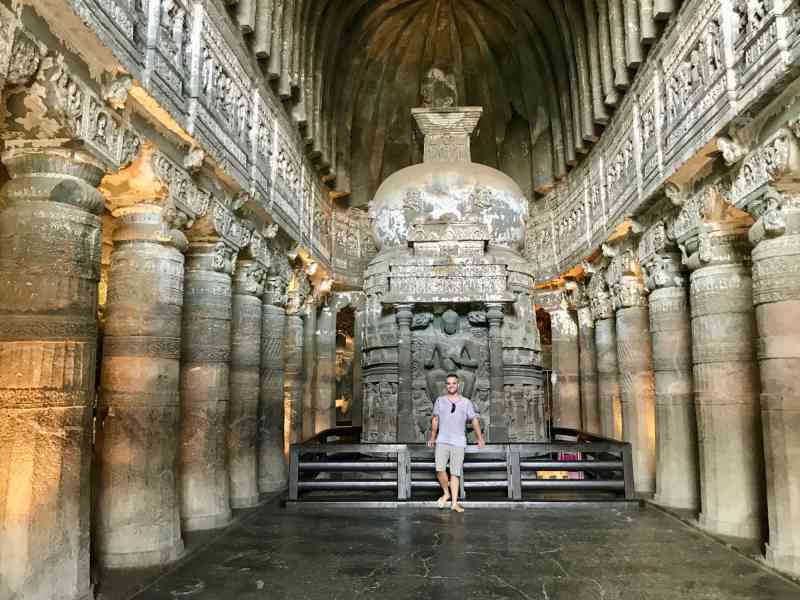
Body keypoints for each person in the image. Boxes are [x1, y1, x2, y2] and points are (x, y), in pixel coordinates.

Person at [427, 373, 485, 512]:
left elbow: (474, 420)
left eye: (453, 383)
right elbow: (435, 420)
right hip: (442, 440)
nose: (451, 385)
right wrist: (432, 437)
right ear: (446, 385)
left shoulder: (466, 402)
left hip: (458, 442)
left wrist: (480, 438)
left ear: (458, 385)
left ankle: (454, 503)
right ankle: (446, 493)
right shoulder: (440, 401)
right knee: (439, 469)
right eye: (448, 383)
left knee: (455, 473)